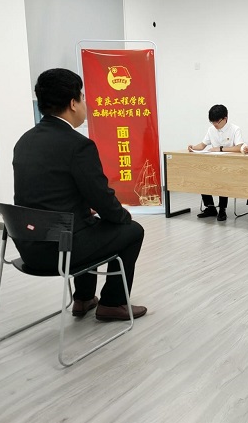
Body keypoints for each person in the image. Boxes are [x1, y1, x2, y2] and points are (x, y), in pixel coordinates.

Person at [12, 68, 147, 321]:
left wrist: (86, 207)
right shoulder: (78, 145)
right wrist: (122, 216)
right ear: (73, 103)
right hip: (60, 251)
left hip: (29, 247)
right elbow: (102, 198)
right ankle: (112, 303)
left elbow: (45, 193)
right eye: (82, 98)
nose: (85, 104)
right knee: (131, 230)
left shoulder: (25, 141)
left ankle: (83, 298)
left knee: (86, 222)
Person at [187, 104, 244, 221]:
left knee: (222, 179)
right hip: (213, 164)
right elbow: (202, 145)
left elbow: (239, 147)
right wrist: (193, 147)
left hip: (229, 165)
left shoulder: (235, 129)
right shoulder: (211, 129)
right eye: (212, 122)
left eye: (217, 122)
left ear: (225, 118)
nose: (215, 125)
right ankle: (210, 207)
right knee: (202, 177)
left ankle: (222, 209)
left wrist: (221, 149)